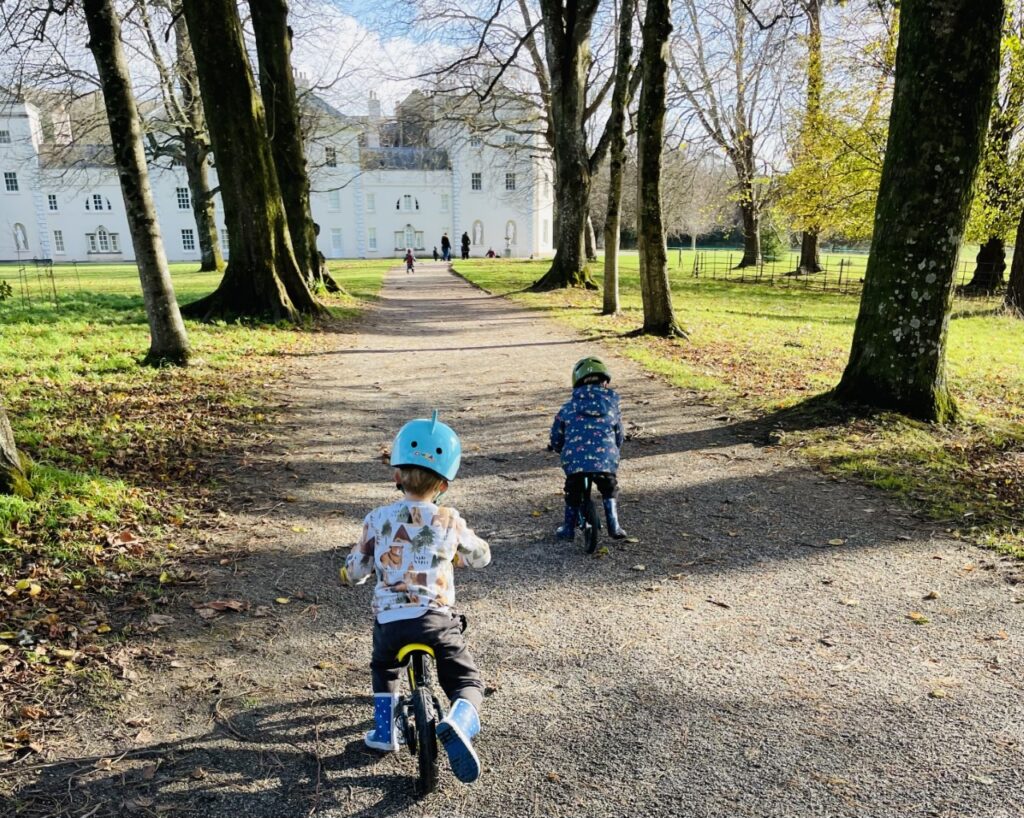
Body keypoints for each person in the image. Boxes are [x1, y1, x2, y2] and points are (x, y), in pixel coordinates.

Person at [341, 412, 491, 784]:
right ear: (444, 484)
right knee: (466, 681)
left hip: (392, 624)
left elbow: (357, 568)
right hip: (436, 620)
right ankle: (459, 720)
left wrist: (349, 574)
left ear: (396, 475)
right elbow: (480, 556)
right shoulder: (449, 520)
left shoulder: (377, 519)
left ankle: (384, 732)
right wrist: (460, 551)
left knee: (384, 669)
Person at [549, 357, 627, 541]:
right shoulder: (612, 408)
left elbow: (556, 435)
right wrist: (615, 448)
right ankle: (614, 525)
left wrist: (557, 447)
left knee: (573, 492)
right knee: (609, 488)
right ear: (605, 383)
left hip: (575, 460)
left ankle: (568, 529)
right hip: (605, 459)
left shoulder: (567, 408)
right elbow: (619, 435)